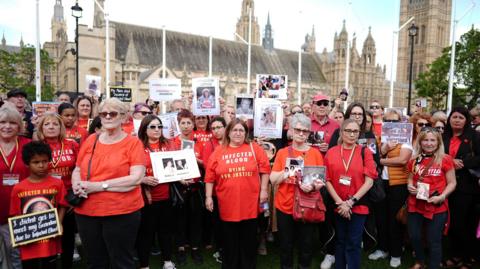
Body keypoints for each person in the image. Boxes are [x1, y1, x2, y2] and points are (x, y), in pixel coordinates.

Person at [71, 98, 146, 269]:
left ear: (124, 117)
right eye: (103, 114)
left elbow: (135, 179)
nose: (108, 117)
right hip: (86, 212)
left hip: (121, 212)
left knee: (121, 261)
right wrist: (77, 184)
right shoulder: (91, 140)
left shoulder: (133, 143)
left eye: (113, 113)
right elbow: (77, 168)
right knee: (96, 261)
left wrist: (98, 186)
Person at [205, 119, 270, 269]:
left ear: (246, 133)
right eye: (235, 130)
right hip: (227, 204)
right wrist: (208, 196)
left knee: (248, 241)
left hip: (250, 204)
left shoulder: (254, 148)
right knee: (229, 242)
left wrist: (264, 190)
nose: (238, 133)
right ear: (228, 132)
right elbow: (209, 176)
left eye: (241, 130)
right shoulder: (219, 151)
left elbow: (265, 169)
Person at [269, 113, 325, 269]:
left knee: (306, 246)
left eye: (305, 131)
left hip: (307, 205)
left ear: (309, 133)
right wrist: (289, 171)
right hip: (285, 206)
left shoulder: (315, 153)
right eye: (298, 129)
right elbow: (273, 179)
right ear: (291, 130)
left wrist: (313, 186)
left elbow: (321, 181)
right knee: (286, 246)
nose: (301, 133)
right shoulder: (282, 152)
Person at [324, 119, 377, 269]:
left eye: (355, 131)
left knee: (353, 242)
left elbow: (370, 181)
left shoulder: (364, 151)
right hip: (338, 205)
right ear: (341, 132)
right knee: (340, 240)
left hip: (358, 205)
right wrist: (341, 203)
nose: (352, 134)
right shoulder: (332, 152)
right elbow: (327, 180)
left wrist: (350, 202)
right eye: (348, 130)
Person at [9, 141, 68, 269]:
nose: (41, 165)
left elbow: (63, 205)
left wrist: (59, 224)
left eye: (45, 161)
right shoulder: (18, 188)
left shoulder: (57, 184)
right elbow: (15, 214)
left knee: (50, 266)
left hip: (50, 240)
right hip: (28, 243)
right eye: (36, 162)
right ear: (27, 164)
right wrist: (16, 235)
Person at [406, 127, 456, 269]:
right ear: (420, 142)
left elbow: (452, 183)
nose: (429, 143)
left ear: (438, 142)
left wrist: (442, 196)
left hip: (436, 205)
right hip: (415, 204)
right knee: (415, 237)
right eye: (425, 140)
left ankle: (434, 265)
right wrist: (410, 185)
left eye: (432, 140)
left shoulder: (445, 159)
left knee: (434, 240)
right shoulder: (414, 160)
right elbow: (410, 178)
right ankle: (420, 262)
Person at [368, 109, 413, 268]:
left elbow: (402, 160)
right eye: (388, 121)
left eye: (395, 121)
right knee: (381, 218)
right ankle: (382, 248)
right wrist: (384, 149)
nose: (391, 124)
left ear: (401, 122)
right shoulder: (379, 139)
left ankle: (396, 253)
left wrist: (380, 160)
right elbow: (370, 157)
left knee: (395, 219)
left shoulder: (406, 138)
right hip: (381, 183)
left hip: (398, 184)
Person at [35, 113, 79, 269]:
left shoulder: (72, 144)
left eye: (55, 124)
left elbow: (79, 170)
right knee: (48, 240)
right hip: (45, 199)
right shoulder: (37, 146)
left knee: (67, 238)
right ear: (41, 128)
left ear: (61, 127)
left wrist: (75, 197)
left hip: (69, 198)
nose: (51, 127)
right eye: (47, 124)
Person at [136, 115, 176, 269]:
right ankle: (144, 265)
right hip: (146, 198)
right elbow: (127, 170)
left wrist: (181, 177)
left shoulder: (168, 144)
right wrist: (143, 179)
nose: (157, 129)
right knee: (146, 233)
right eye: (152, 127)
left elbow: (175, 166)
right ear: (144, 129)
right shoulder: (137, 145)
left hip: (166, 195)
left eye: (159, 126)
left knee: (165, 231)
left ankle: (167, 261)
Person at [442, 107, 480, 269]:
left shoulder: (475, 137)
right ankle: (454, 255)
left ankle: (466, 258)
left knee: (462, 224)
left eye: (461, 117)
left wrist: (463, 163)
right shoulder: (443, 136)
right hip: (444, 186)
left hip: (466, 187)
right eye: (454, 117)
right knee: (448, 224)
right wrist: (449, 160)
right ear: (449, 119)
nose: (457, 120)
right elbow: (434, 153)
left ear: (467, 121)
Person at [171, 109, 204, 265]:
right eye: (182, 123)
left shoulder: (199, 142)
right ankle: (181, 248)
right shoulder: (172, 143)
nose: (185, 126)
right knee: (179, 220)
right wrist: (180, 178)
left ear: (193, 124)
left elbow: (206, 164)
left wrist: (195, 159)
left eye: (188, 123)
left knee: (196, 219)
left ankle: (196, 247)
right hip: (179, 187)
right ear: (178, 124)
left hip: (195, 187)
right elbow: (168, 165)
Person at [0, 105, 31, 269]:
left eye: (12, 122)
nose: (7, 126)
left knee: (17, 255)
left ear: (19, 125)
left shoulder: (29, 145)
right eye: (2, 122)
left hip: (20, 211)